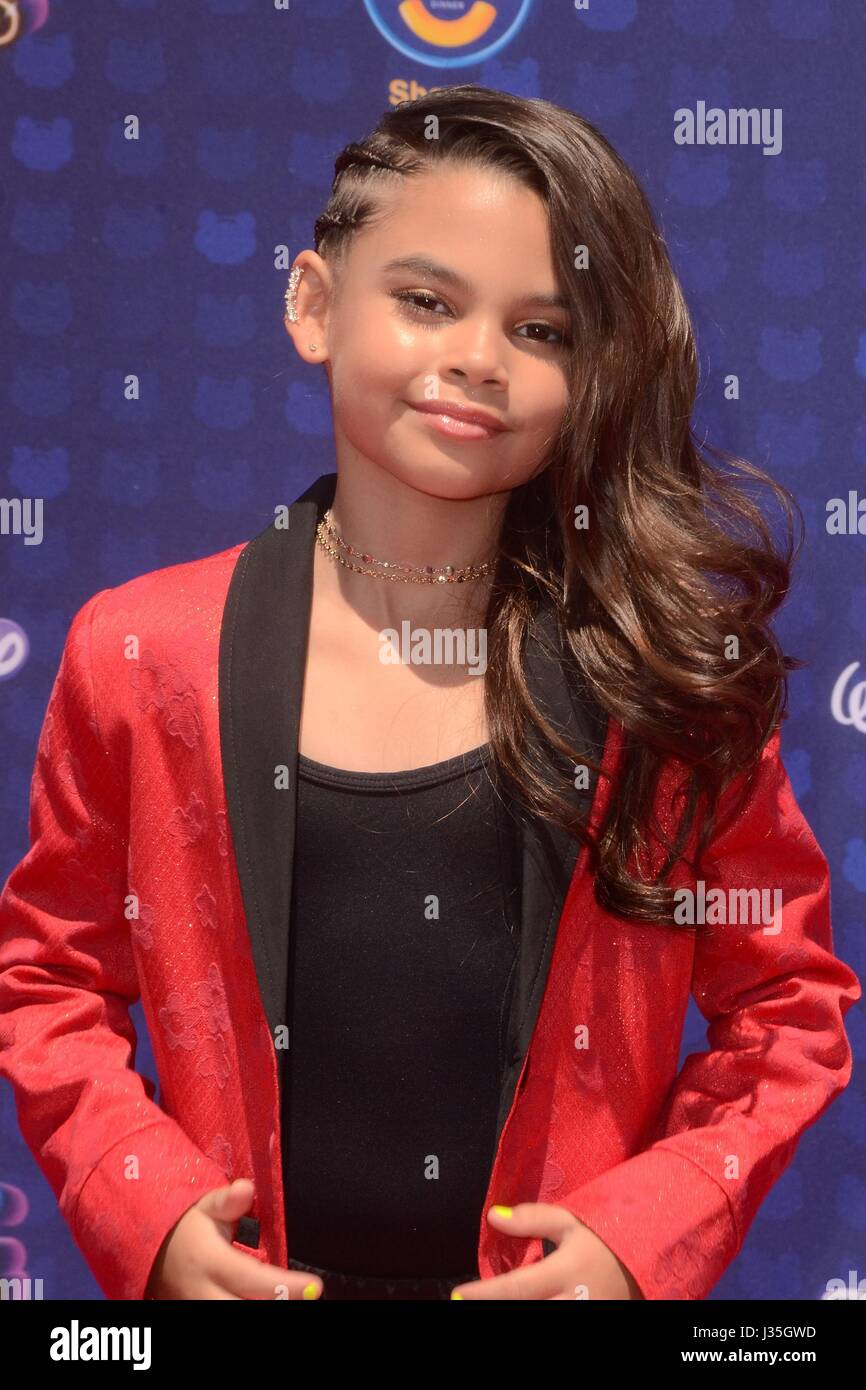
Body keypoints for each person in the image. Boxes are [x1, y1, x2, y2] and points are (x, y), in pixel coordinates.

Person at [0, 85, 859, 1302]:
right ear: (312, 305)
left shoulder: (655, 674)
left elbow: (784, 1004)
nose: (475, 359)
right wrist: (142, 1198)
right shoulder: (142, 653)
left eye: (542, 330)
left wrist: (637, 1235)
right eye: (425, 301)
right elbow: (49, 976)